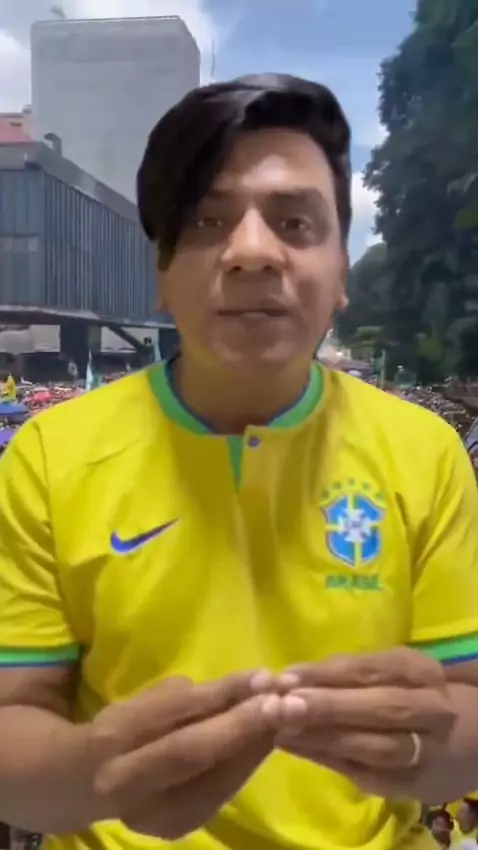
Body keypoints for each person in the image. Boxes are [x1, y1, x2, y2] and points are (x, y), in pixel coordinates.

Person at [0, 73, 478, 850]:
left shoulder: (425, 453)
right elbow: (14, 718)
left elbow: (467, 705)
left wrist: (426, 752)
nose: (252, 252)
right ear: (161, 273)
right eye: (205, 220)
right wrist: (94, 775)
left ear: (342, 272)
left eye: (295, 222)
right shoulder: (49, 457)